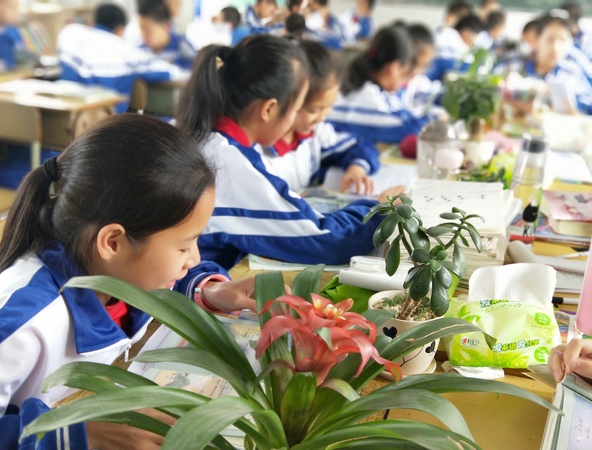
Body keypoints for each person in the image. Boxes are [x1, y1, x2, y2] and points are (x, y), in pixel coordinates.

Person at [0, 114, 255, 450]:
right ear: (113, 242)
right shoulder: (22, 324)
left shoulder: (114, 271)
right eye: (183, 246)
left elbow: (164, 283)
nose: (194, 258)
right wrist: (76, 434)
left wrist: (209, 289)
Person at [177, 34, 389, 270]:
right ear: (269, 109)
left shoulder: (210, 140)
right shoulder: (228, 163)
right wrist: (380, 210)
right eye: (297, 108)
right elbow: (327, 239)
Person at [257, 40, 380, 194]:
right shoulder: (261, 152)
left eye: (328, 107)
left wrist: (357, 168)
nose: (322, 118)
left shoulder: (314, 133)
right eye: (314, 110)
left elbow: (360, 145)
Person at [58, 3, 184, 114]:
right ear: (119, 30)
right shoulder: (125, 51)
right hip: (104, 121)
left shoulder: (69, 33)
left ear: (92, 22)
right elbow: (170, 72)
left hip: (63, 109)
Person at [328, 26, 433, 145]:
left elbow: (405, 115)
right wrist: (433, 120)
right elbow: (408, 131)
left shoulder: (373, 90)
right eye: (403, 74)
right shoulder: (367, 95)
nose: (403, 82)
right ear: (393, 69)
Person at [494, 13, 592, 115]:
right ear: (537, 40)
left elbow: (589, 108)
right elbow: (492, 86)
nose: (555, 46)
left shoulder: (571, 73)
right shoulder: (515, 64)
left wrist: (575, 115)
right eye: (550, 39)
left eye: (562, 40)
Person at [138, 0, 197, 70]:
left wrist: (175, 63)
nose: (143, 35)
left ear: (166, 27)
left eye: (148, 30)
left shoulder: (182, 46)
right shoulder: (140, 51)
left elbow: (198, 65)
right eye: (141, 29)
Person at [427, 2, 474, 81]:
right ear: (449, 16)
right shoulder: (438, 37)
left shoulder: (467, 45)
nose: (462, 25)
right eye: (459, 19)